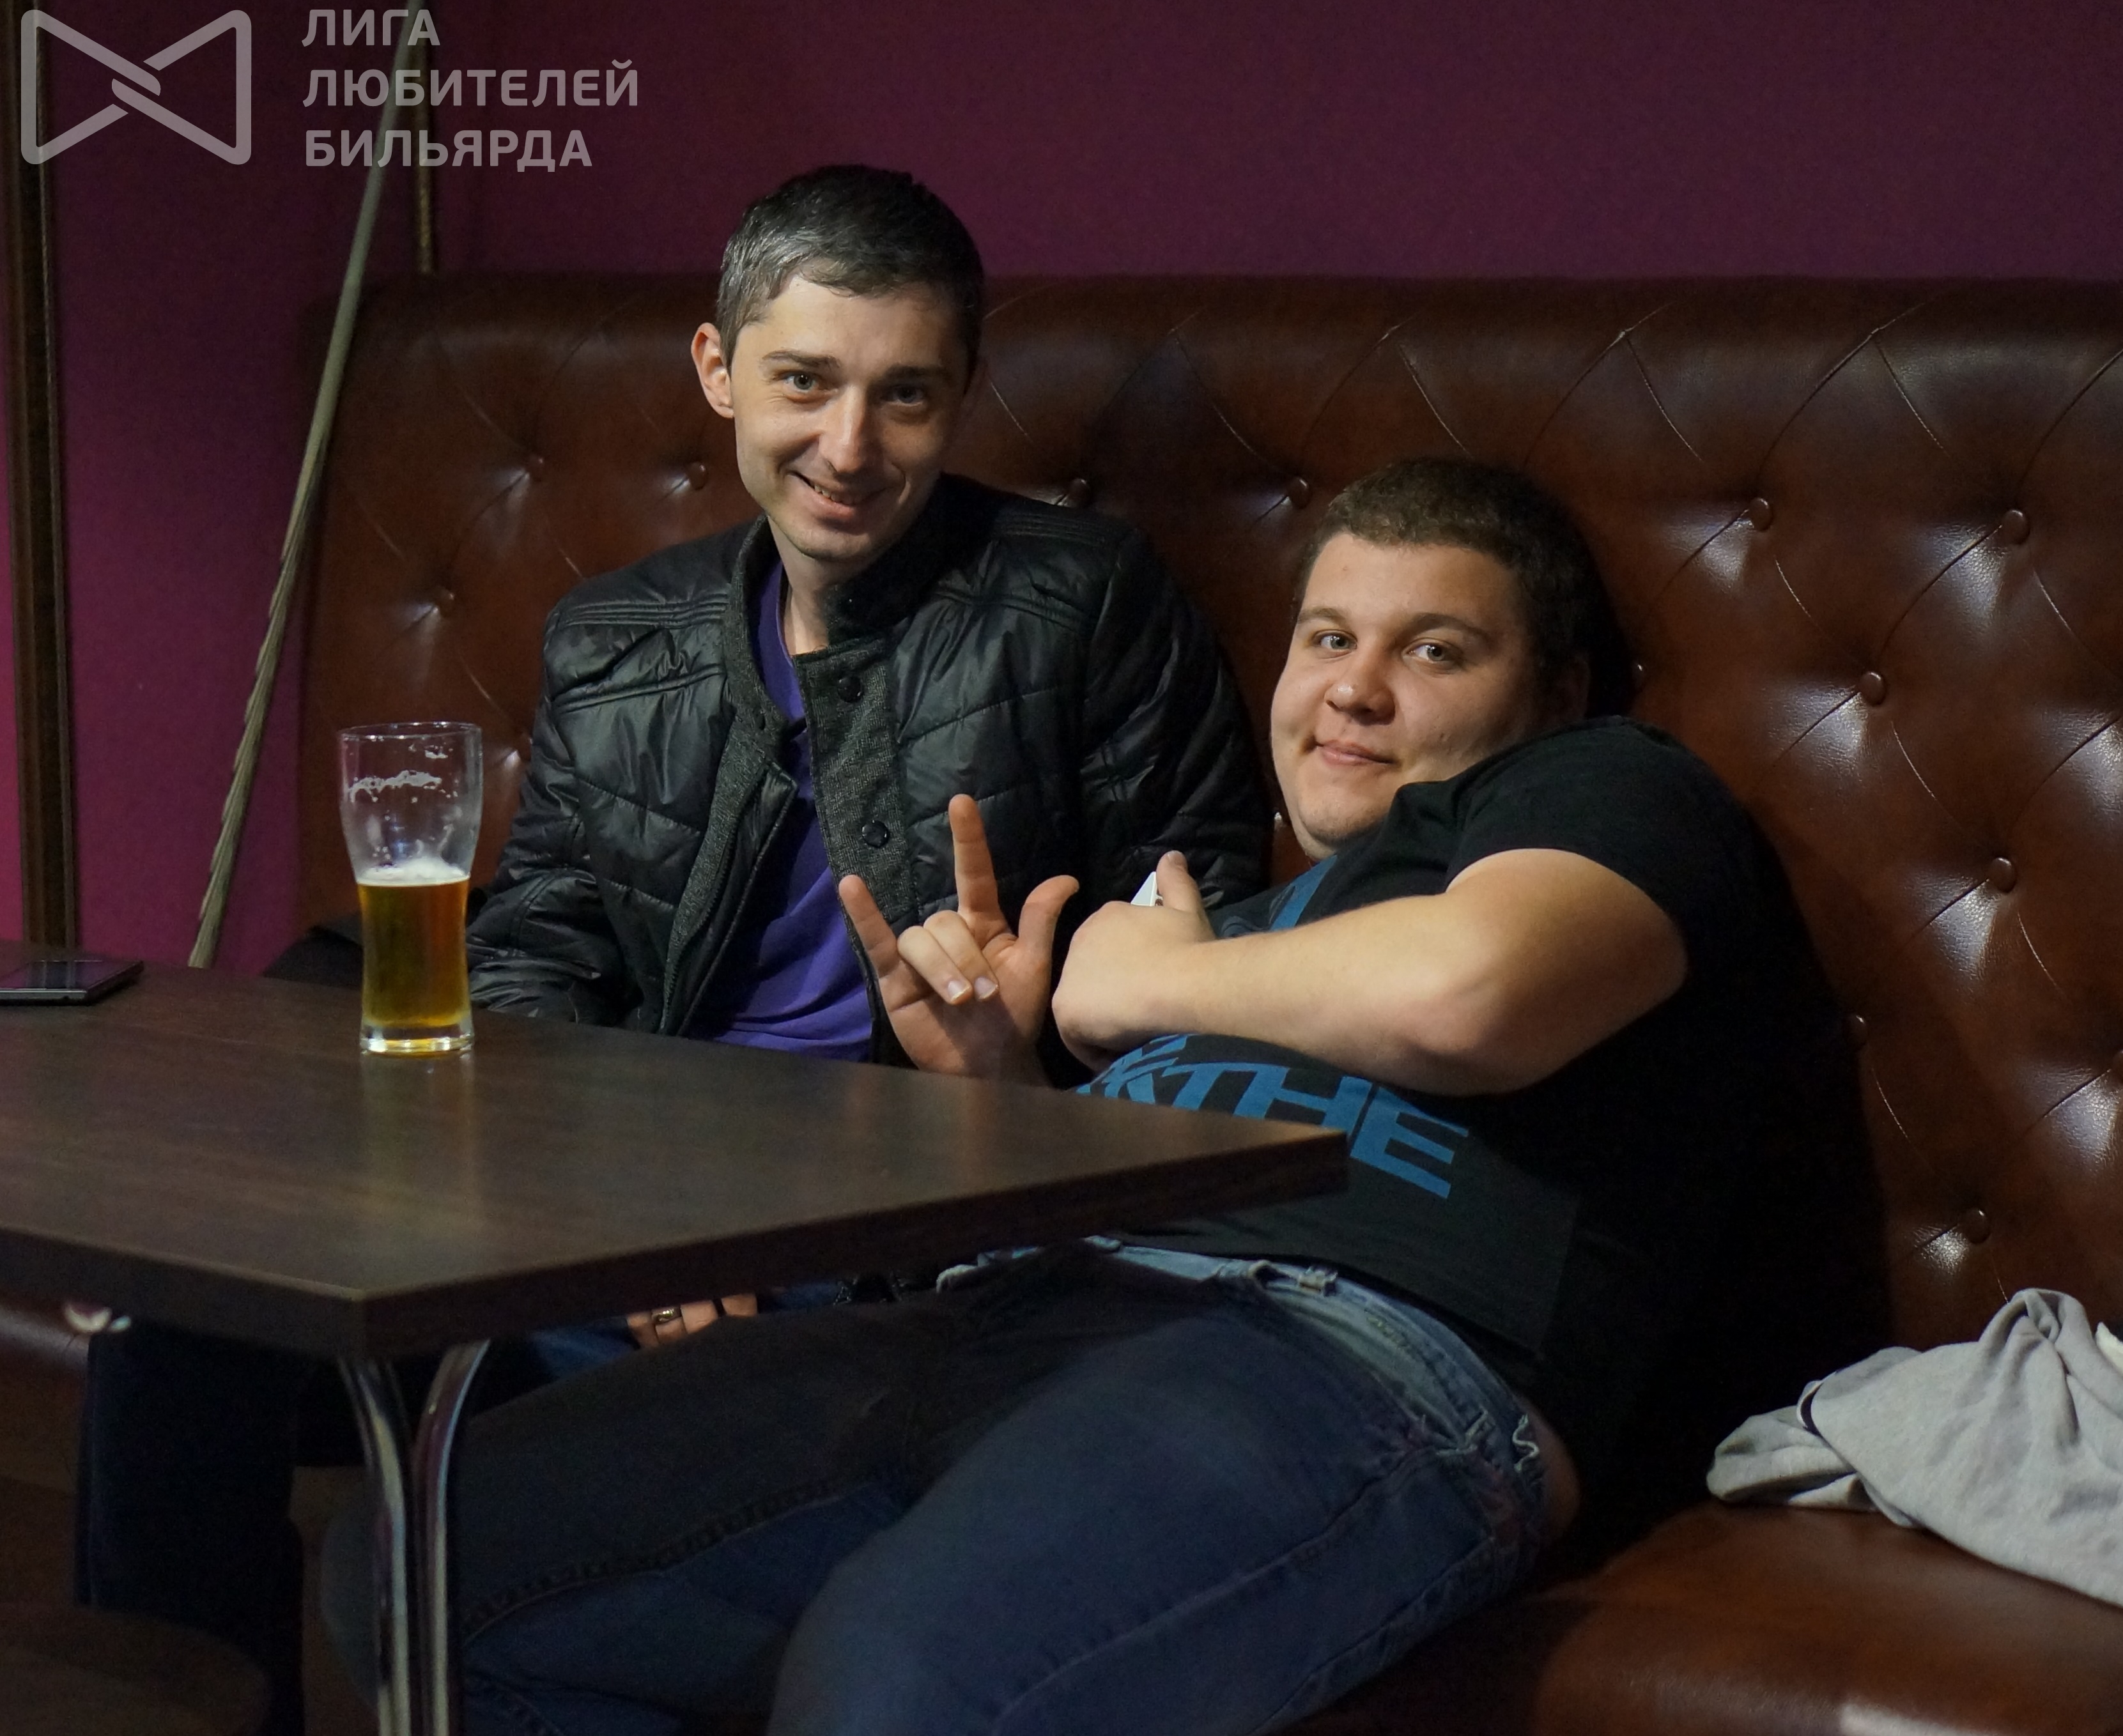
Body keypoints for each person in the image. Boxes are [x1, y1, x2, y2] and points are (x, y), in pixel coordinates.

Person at [75, 163, 1265, 1736]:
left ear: (963, 393)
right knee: (175, 1343)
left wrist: (1024, 1055)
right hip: (600, 1232)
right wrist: (623, 1225)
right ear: (717, 370)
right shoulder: (619, 634)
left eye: (905, 395)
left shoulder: (1082, 605)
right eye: (804, 383)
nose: (850, 447)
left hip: (882, 1261)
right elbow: (538, 957)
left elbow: (1207, 953)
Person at [409, 456, 1837, 1736]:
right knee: (432, 1562)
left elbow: (1475, 997)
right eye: (1327, 637)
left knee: (903, 1678)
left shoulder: (1609, 790)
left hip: (1361, 1359)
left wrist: (1139, 983)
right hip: (1022, 1312)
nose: (1353, 687)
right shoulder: (1249, 932)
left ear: (1557, 693)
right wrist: (1000, 1080)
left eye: (1434, 649)